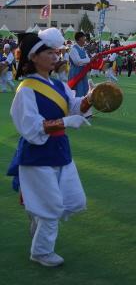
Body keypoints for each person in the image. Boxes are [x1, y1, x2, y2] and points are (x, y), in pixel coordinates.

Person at [7, 28, 93, 267]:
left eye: (56, 52)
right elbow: (31, 127)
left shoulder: (58, 85)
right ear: (33, 57)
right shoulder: (26, 90)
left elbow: (74, 105)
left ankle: (36, 216)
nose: (56, 56)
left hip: (60, 150)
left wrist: (91, 99)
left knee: (73, 200)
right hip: (37, 154)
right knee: (51, 207)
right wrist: (65, 122)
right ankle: (42, 251)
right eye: (49, 52)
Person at [68, 32, 91, 97]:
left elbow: (87, 59)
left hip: (82, 72)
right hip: (75, 73)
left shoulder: (83, 49)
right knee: (76, 91)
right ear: (79, 39)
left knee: (83, 89)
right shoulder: (73, 49)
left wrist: (89, 60)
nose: (85, 39)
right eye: (83, 38)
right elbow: (77, 62)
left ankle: (82, 105)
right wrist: (89, 60)